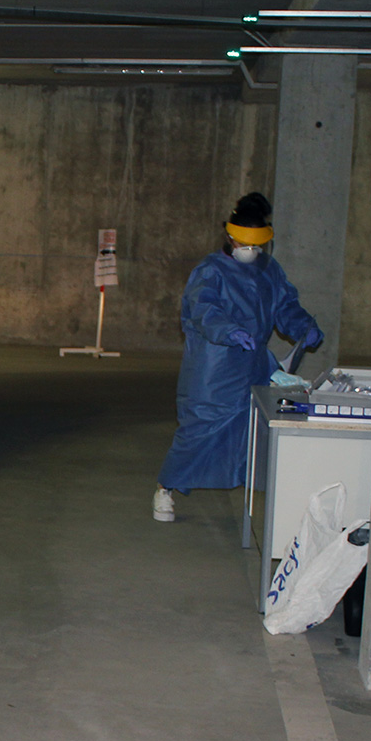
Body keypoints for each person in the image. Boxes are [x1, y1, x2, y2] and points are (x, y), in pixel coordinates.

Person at [154, 192, 322, 523]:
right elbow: (204, 309)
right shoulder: (210, 271)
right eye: (246, 243)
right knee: (201, 428)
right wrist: (228, 331)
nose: (251, 251)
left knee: (254, 430)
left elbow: (285, 305)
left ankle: (258, 497)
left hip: (254, 364)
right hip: (213, 366)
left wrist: (304, 326)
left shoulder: (269, 271)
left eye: (257, 245)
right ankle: (166, 487)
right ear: (230, 237)